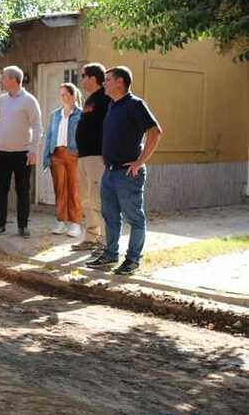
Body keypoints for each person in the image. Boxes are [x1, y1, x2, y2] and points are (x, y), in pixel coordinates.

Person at [86, 66, 163, 275]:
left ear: (120, 82)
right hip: (110, 172)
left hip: (128, 174)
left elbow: (155, 131)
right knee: (110, 217)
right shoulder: (112, 105)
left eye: (108, 80)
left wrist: (139, 162)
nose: (104, 83)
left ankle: (132, 260)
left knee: (134, 218)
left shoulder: (135, 104)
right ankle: (110, 255)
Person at [0, 66, 42, 238]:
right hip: (1, 153)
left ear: (13, 80)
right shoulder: (2, 100)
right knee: (1, 190)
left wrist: (33, 151)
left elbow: (37, 126)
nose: (1, 80)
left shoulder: (29, 100)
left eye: (3, 77)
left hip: (22, 153)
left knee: (23, 191)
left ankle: (23, 226)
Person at [71, 63, 111, 253]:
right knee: (86, 199)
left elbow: (108, 128)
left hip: (97, 157)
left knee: (97, 199)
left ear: (93, 78)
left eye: (83, 76)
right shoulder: (91, 99)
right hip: (84, 156)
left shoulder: (105, 98)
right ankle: (91, 238)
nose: (81, 80)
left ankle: (106, 241)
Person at [41, 83, 83, 238]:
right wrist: (47, 157)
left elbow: (84, 137)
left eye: (65, 94)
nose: (62, 97)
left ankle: (76, 224)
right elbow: (49, 137)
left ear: (73, 96)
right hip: (56, 155)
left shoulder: (81, 114)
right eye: (61, 95)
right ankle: (61, 222)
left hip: (73, 154)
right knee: (60, 190)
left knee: (74, 189)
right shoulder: (55, 115)